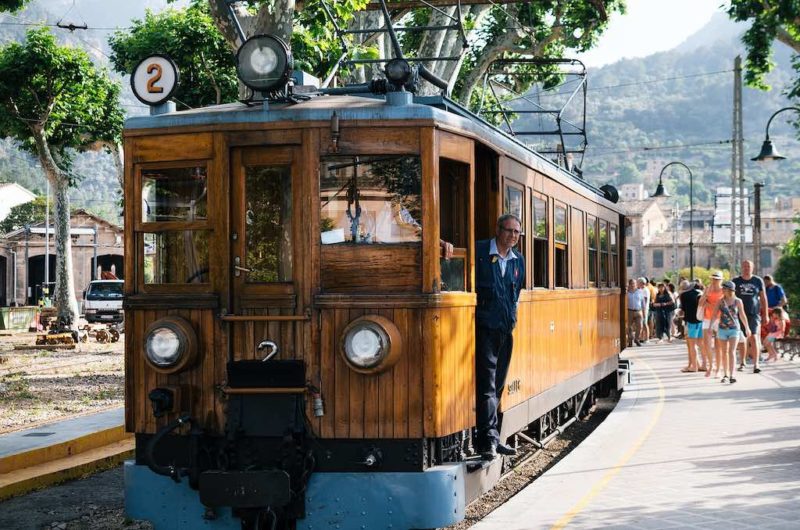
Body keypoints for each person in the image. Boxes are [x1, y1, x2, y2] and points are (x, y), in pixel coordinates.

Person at [475, 214, 525, 460]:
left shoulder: (518, 261)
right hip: (484, 328)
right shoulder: (480, 251)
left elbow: (515, 293)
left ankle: (495, 436)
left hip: (506, 330)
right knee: (487, 386)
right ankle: (487, 442)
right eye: (509, 231)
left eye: (517, 232)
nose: (513, 236)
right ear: (498, 230)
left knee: (498, 385)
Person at [711, 280, 750, 384]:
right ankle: (725, 374)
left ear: (730, 290)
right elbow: (714, 314)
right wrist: (710, 327)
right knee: (724, 352)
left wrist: (747, 328)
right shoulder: (720, 301)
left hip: (734, 329)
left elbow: (742, 315)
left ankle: (732, 375)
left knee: (732, 351)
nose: (722, 290)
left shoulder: (738, 301)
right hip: (722, 329)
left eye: (724, 288)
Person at [733, 260, 768, 374]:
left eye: (749, 266)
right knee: (742, 339)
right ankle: (742, 362)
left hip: (754, 314)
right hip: (739, 314)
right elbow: (730, 296)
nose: (746, 268)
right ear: (741, 268)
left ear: (752, 268)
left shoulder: (757, 280)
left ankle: (756, 363)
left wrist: (766, 314)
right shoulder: (736, 281)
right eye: (744, 266)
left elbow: (763, 298)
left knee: (753, 337)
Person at [698, 271, 724, 377]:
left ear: (721, 280)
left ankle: (718, 369)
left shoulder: (724, 290)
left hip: (719, 319)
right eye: (713, 278)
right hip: (707, 318)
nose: (714, 280)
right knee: (706, 344)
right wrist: (706, 296)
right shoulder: (708, 288)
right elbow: (700, 302)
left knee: (718, 346)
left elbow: (726, 304)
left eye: (717, 279)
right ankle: (710, 366)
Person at [679, 280, 704, 372]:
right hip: (701, 320)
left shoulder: (684, 295)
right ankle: (701, 364)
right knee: (701, 344)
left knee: (691, 344)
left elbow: (683, 310)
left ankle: (693, 366)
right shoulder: (700, 294)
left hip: (690, 321)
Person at [626, 279, 645, 347]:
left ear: (636, 284)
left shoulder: (640, 292)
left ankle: (636, 339)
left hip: (638, 311)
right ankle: (630, 341)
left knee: (640, 326)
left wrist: (644, 312)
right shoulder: (627, 293)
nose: (632, 285)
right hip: (629, 311)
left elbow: (643, 303)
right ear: (629, 284)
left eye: (634, 283)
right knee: (629, 327)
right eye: (631, 283)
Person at [637, 277, 651, 342]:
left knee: (645, 323)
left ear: (642, 283)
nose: (637, 284)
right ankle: (642, 337)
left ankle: (647, 338)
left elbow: (644, 300)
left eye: (638, 283)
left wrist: (643, 310)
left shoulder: (645, 290)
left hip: (644, 308)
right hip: (640, 308)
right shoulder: (640, 289)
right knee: (641, 323)